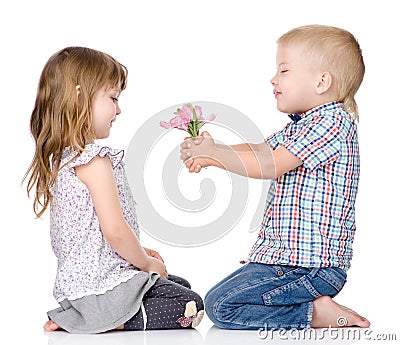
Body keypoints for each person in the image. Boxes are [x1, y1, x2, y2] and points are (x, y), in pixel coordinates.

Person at [180, 25, 370, 330]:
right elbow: (260, 150)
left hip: (309, 266)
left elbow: (271, 164)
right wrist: (213, 152)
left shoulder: (331, 124)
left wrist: (217, 156)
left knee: (221, 306)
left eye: (284, 70)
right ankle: (312, 306)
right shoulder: (302, 125)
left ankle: (313, 314)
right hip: (285, 262)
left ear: (322, 81)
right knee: (217, 298)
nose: (273, 79)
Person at [24, 47, 204, 334]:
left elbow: (93, 235)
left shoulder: (67, 158)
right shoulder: (93, 161)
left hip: (86, 289)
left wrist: (143, 254)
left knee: (178, 285)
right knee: (190, 305)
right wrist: (145, 263)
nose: (119, 109)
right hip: (98, 290)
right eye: (113, 98)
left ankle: (80, 315)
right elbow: (115, 231)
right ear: (80, 96)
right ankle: (91, 321)